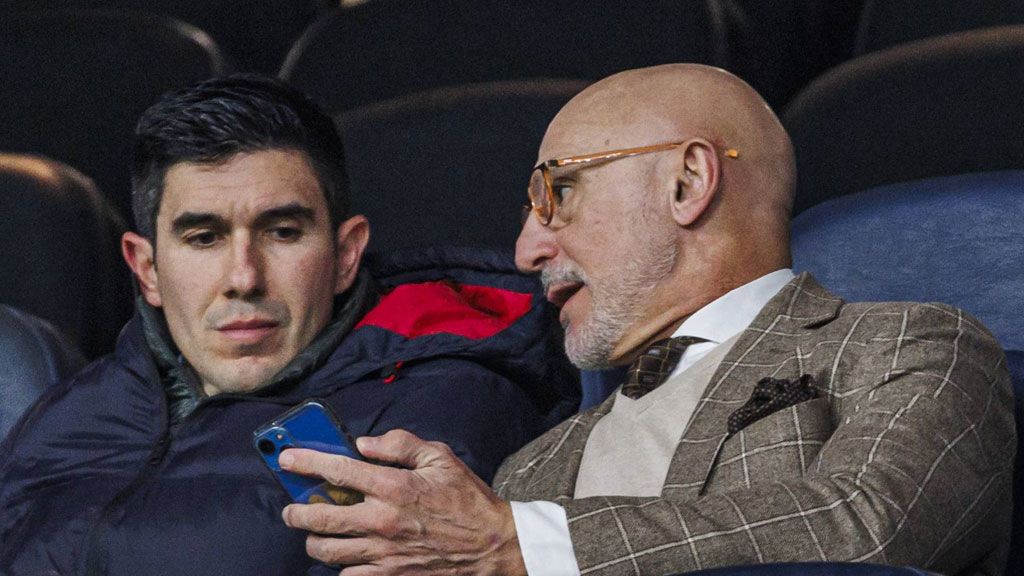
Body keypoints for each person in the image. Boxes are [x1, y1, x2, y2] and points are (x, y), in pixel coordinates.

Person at [277, 64, 1015, 575]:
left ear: (687, 181)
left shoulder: (910, 347)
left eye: (555, 194)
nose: (526, 249)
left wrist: (515, 543)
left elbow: (867, 529)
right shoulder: (532, 467)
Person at [0, 74, 579, 576]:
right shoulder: (68, 413)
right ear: (146, 268)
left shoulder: (438, 412)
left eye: (282, 232)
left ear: (346, 254)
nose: (244, 278)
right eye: (204, 238)